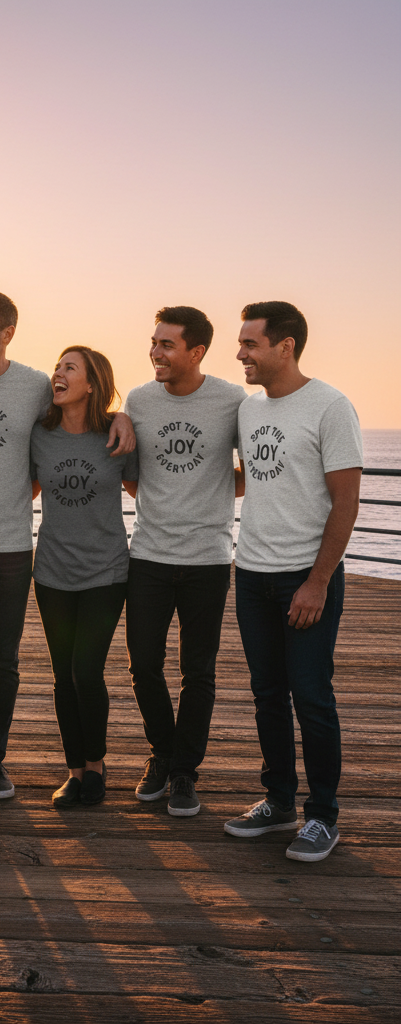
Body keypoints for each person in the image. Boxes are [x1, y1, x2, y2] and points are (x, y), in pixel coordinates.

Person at [0, 291, 136, 806]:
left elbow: (80, 420)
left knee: (5, 663)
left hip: (14, 550)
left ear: (7, 332)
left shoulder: (37, 386)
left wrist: (125, 414)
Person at [224, 301, 362, 862]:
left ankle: (322, 815)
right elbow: (248, 478)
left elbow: (346, 501)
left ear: (286, 346)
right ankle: (278, 801)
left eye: (251, 344)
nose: (240, 354)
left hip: (304, 578)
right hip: (251, 572)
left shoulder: (330, 406)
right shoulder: (248, 411)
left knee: (311, 696)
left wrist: (318, 581)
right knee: (266, 696)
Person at [122, 307, 246, 816]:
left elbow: (252, 469)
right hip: (148, 555)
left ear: (196, 352)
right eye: (154, 342)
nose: (155, 352)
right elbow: (131, 474)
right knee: (143, 666)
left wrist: (211, 495)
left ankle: (184, 773)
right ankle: (162, 753)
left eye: (167, 345)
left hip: (207, 560)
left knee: (198, 672)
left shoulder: (232, 400)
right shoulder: (139, 399)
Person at [30, 347, 138, 808]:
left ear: (91, 383)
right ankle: (74, 772)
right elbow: (19, 485)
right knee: (61, 675)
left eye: (69, 368)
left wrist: (126, 416)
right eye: (57, 367)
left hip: (106, 572)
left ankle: (95, 767)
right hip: (52, 571)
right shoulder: (39, 434)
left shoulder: (115, 436)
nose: (58, 373)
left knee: (85, 671)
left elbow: (147, 488)